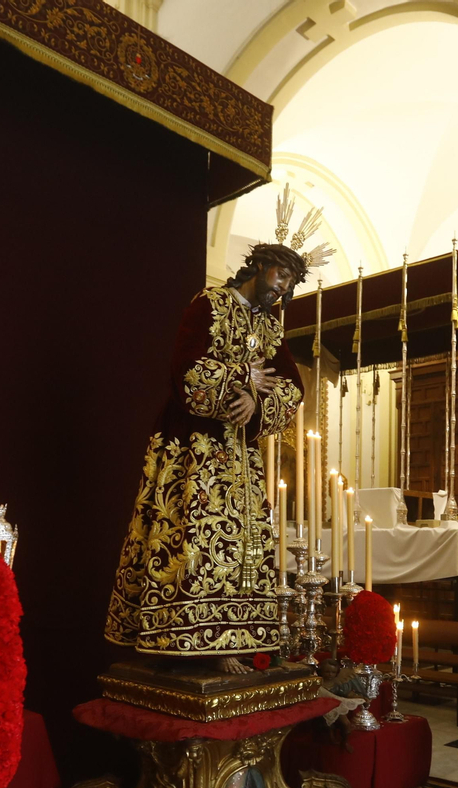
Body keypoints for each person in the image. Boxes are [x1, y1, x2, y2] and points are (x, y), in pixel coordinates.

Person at [105, 189, 332, 674]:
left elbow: (292, 387)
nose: (281, 289)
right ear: (261, 265)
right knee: (193, 535)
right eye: (280, 275)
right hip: (194, 445)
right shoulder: (208, 304)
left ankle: (232, 640)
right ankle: (179, 638)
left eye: (291, 283)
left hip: (240, 455)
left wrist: (257, 402)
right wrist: (238, 381)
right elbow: (185, 369)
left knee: (244, 546)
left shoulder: (270, 328)